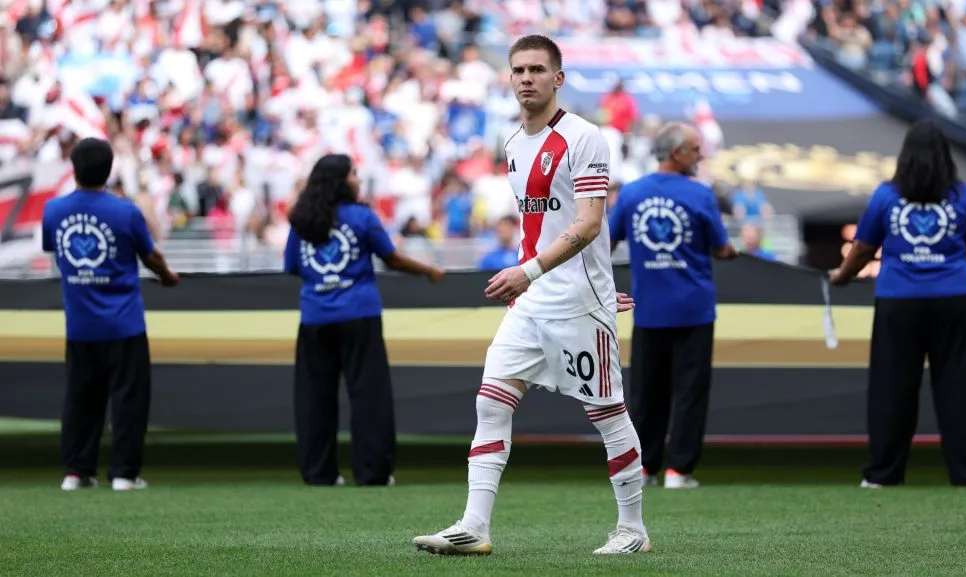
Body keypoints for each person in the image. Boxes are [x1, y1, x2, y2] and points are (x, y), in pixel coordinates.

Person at [413, 34, 647, 557]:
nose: (525, 78)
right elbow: (539, 225)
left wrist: (538, 273)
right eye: (518, 69)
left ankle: (633, 529)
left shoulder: (586, 138)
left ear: (557, 79)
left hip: (576, 302)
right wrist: (531, 277)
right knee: (491, 401)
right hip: (533, 300)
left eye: (537, 69)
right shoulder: (514, 142)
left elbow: (589, 224)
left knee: (608, 414)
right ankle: (474, 526)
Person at [829, 120, 966, 488]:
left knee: (891, 387)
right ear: (945, 156)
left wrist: (842, 276)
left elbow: (864, 247)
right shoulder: (962, 195)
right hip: (954, 302)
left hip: (898, 303)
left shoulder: (885, 196)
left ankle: (882, 475)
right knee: (962, 388)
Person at [284, 153, 445, 487]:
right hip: (359, 317)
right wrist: (429, 271)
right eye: (353, 173)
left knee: (315, 397)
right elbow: (392, 258)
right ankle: (372, 473)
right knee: (368, 395)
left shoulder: (301, 220)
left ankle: (319, 474)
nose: (358, 179)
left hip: (314, 319)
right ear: (342, 181)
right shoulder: (361, 217)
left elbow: (292, 266)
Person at [41, 137, 179, 492]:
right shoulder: (125, 211)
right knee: (128, 400)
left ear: (73, 169)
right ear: (110, 169)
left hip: (80, 325)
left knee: (80, 400)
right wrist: (168, 277)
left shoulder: (54, 211)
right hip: (124, 324)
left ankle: (76, 471)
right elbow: (151, 256)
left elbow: (53, 249)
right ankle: (124, 473)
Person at [609, 123, 737, 491]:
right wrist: (730, 252)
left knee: (647, 393)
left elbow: (606, 240)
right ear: (677, 152)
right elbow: (720, 247)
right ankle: (679, 471)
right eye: (696, 149)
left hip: (649, 309)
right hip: (694, 310)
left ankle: (645, 468)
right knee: (689, 392)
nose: (700, 156)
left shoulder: (632, 194)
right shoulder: (700, 195)